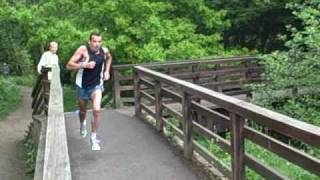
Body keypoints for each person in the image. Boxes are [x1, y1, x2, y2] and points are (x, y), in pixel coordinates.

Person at [66, 32, 112, 151]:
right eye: (94, 41)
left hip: (96, 86)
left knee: (97, 110)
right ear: (89, 41)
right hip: (82, 86)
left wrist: (107, 71)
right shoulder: (83, 50)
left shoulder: (104, 50)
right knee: (82, 111)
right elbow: (69, 65)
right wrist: (84, 65)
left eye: (99, 41)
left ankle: (93, 137)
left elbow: (109, 57)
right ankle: (82, 124)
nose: (97, 44)